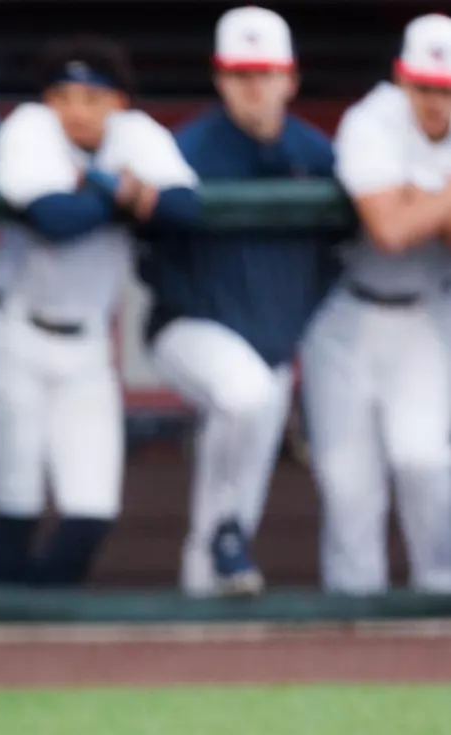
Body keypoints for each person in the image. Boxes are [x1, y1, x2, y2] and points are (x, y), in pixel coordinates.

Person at [0, 39, 198, 588]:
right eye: (64, 95)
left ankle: (39, 617)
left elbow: (187, 210)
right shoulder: (29, 127)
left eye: (93, 96)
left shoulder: (138, 134)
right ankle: (5, 629)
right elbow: (53, 218)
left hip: (90, 344)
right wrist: (121, 192)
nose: (77, 109)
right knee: (16, 499)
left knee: (92, 508)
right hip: (12, 333)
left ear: (118, 101)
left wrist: (95, 187)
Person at [141, 6, 335, 597]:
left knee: (238, 499)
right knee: (242, 393)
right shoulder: (187, 149)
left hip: (274, 339)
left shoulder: (317, 153)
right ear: (220, 77)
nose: (254, 86)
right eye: (241, 74)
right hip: (192, 326)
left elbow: (337, 253)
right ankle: (221, 545)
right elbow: (148, 246)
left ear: (290, 78)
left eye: (265, 73)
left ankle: (209, 610)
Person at [301, 14, 451, 594]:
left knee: (425, 462)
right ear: (400, 78)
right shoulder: (372, 118)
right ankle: (352, 625)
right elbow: (387, 229)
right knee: (347, 484)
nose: (436, 102)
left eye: (446, 89)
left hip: (427, 314)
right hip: (348, 315)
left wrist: (422, 200)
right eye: (425, 87)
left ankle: (438, 604)